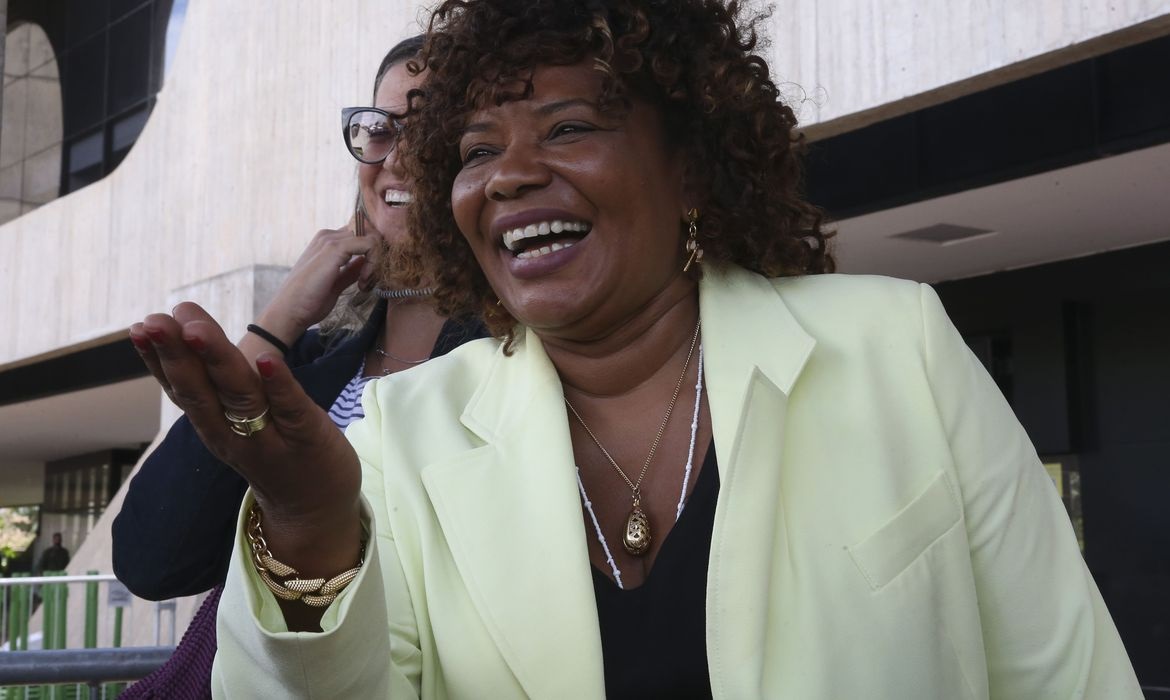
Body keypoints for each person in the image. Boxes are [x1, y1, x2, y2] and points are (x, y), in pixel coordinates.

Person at [131, 1, 1143, 698]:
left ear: (691, 166)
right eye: (476, 149)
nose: (510, 174)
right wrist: (309, 525)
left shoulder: (898, 347)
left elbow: (1067, 675)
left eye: (567, 127)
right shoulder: (402, 431)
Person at [115, 35, 485, 699]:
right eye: (379, 129)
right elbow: (152, 557)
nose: (396, 157)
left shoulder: (522, 351)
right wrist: (279, 320)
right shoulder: (310, 361)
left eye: (432, 125)